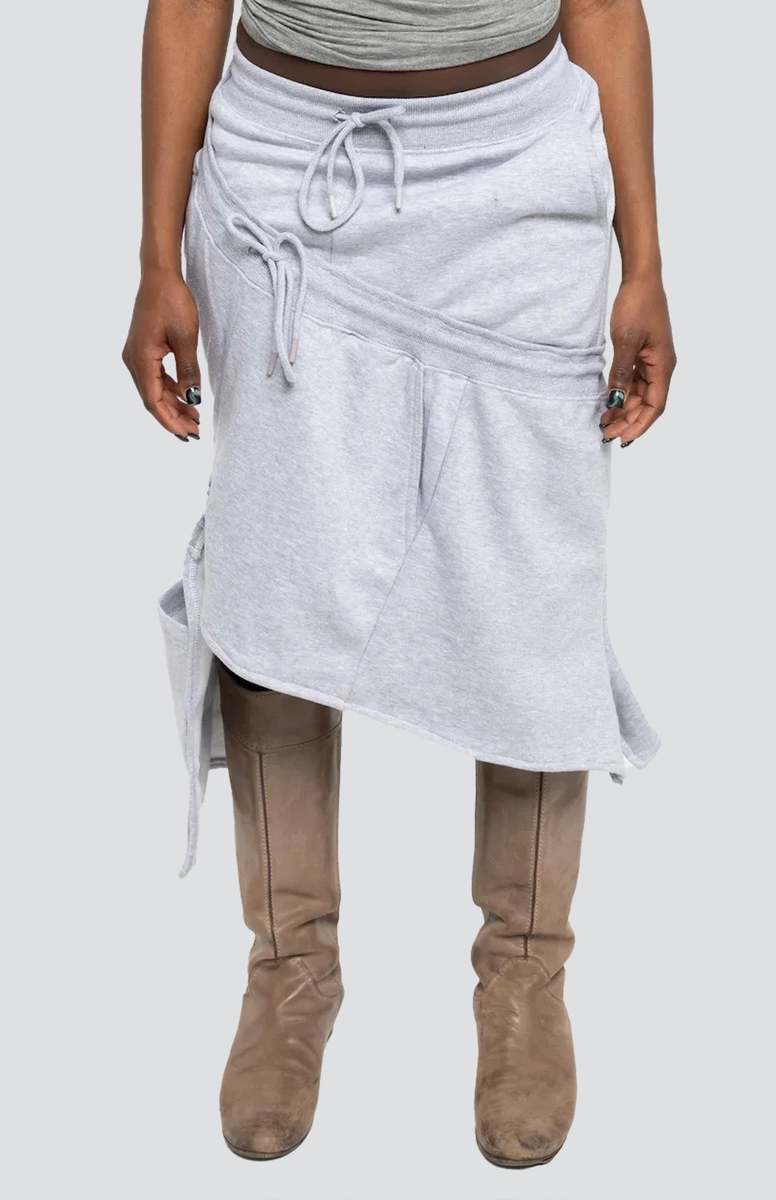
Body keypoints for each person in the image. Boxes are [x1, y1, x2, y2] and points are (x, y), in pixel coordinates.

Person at [123, 0, 675, 1169]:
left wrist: (646, 261)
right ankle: (289, 972)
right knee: (279, 587)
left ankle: (523, 977)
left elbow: (602, 6)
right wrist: (154, 254)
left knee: (530, 600)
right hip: (285, 175)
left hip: (514, 172)